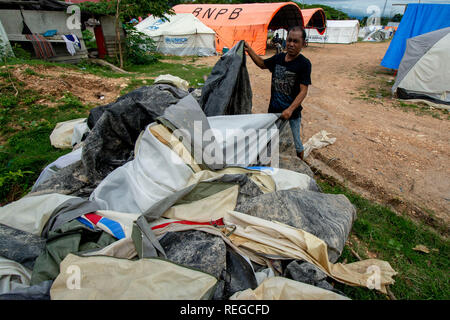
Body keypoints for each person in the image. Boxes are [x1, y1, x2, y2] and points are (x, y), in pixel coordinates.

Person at [244, 26, 311, 160]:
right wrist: (249, 50)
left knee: (297, 144)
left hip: (292, 114)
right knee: (269, 139)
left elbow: (303, 91)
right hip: (273, 111)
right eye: (289, 40)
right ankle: (267, 162)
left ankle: (301, 166)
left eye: (296, 41)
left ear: (303, 43)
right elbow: (262, 64)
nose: (291, 44)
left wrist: (290, 110)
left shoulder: (304, 64)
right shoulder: (279, 58)